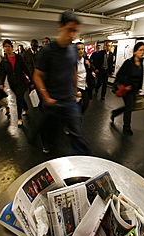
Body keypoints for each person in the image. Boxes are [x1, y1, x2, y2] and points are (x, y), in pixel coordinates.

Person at [33, 10, 90, 155]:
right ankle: (47, 144)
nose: (72, 35)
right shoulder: (47, 51)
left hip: (69, 100)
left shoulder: (72, 49)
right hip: (52, 101)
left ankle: (83, 161)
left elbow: (74, 70)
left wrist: (76, 90)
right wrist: (46, 98)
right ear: (60, 27)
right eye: (69, 30)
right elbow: (37, 76)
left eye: (75, 31)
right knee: (48, 130)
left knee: (77, 133)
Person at [111, 42, 144, 135]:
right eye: (140, 50)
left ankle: (115, 113)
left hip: (134, 89)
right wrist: (127, 84)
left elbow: (141, 77)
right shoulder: (128, 62)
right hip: (126, 89)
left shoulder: (141, 63)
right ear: (135, 51)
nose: (142, 52)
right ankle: (126, 128)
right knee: (129, 107)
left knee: (129, 106)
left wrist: (140, 88)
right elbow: (119, 75)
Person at [0, 39, 32, 127]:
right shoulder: (4, 61)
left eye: (8, 46)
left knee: (19, 98)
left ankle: (19, 118)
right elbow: (2, 73)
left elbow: (26, 69)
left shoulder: (19, 58)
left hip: (21, 81)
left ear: (12, 48)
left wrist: (32, 80)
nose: (7, 48)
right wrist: (1, 83)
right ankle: (25, 107)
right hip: (12, 83)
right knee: (19, 97)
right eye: (5, 47)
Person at [76, 42, 95, 113]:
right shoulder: (73, 62)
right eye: (78, 49)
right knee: (76, 104)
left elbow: (91, 69)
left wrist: (89, 65)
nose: (81, 51)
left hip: (85, 85)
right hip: (76, 86)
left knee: (86, 104)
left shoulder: (85, 61)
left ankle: (79, 115)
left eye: (82, 49)